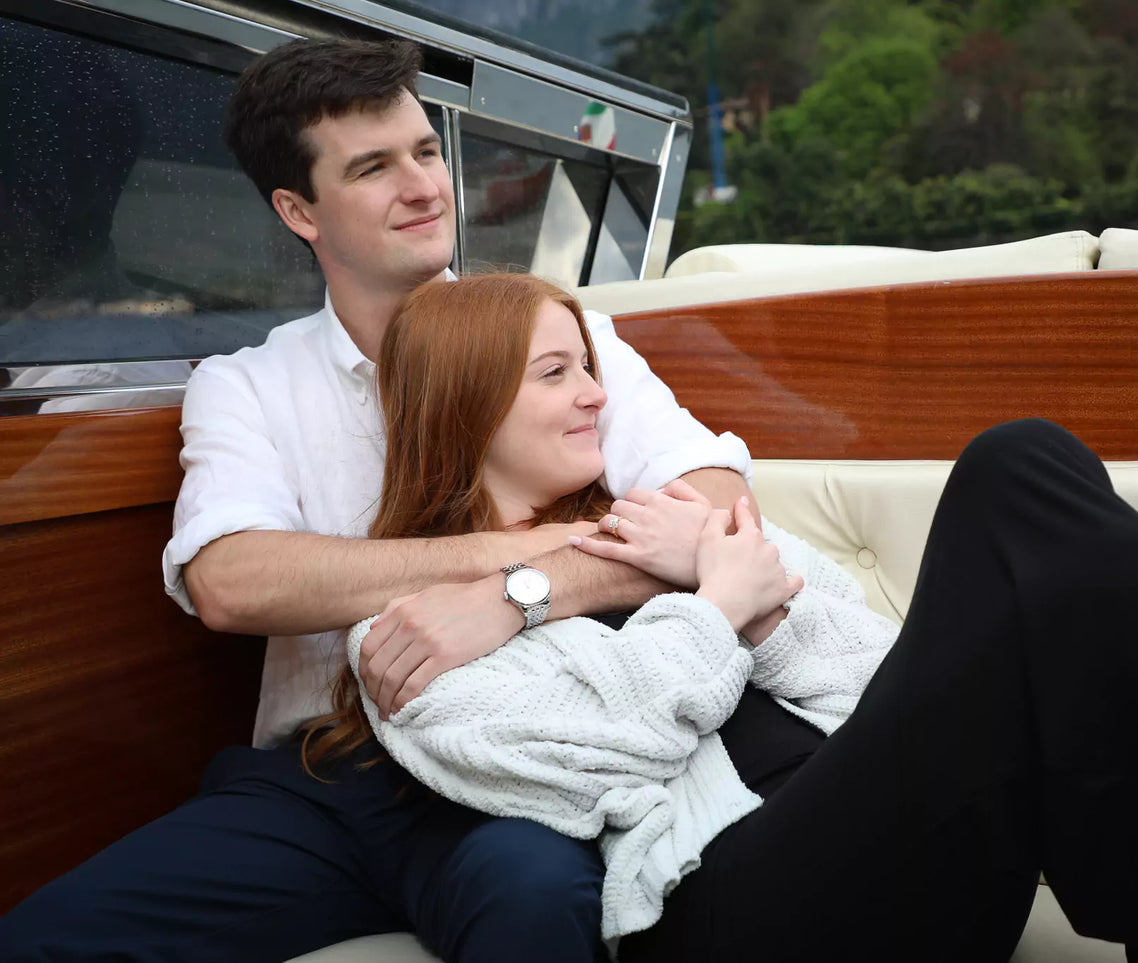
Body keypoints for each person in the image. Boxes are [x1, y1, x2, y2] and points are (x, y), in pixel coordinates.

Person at [328, 272, 1138, 963]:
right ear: (467, 405)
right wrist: (717, 605)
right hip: (728, 917)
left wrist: (760, 618)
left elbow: (876, 681)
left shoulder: (667, 523)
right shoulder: (411, 633)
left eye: (590, 368)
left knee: (1025, 465)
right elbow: (593, 763)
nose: (594, 395)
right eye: (555, 373)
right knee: (1017, 472)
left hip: (895, 858)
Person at [0, 38, 756, 962]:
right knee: (42, 938)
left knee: (532, 900)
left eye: (425, 151)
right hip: (324, 773)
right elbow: (230, 579)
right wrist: (498, 557)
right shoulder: (247, 382)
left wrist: (520, 602)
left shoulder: (565, 334)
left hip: (508, 762)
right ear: (296, 209)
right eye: (372, 166)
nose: (424, 185)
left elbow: (712, 506)